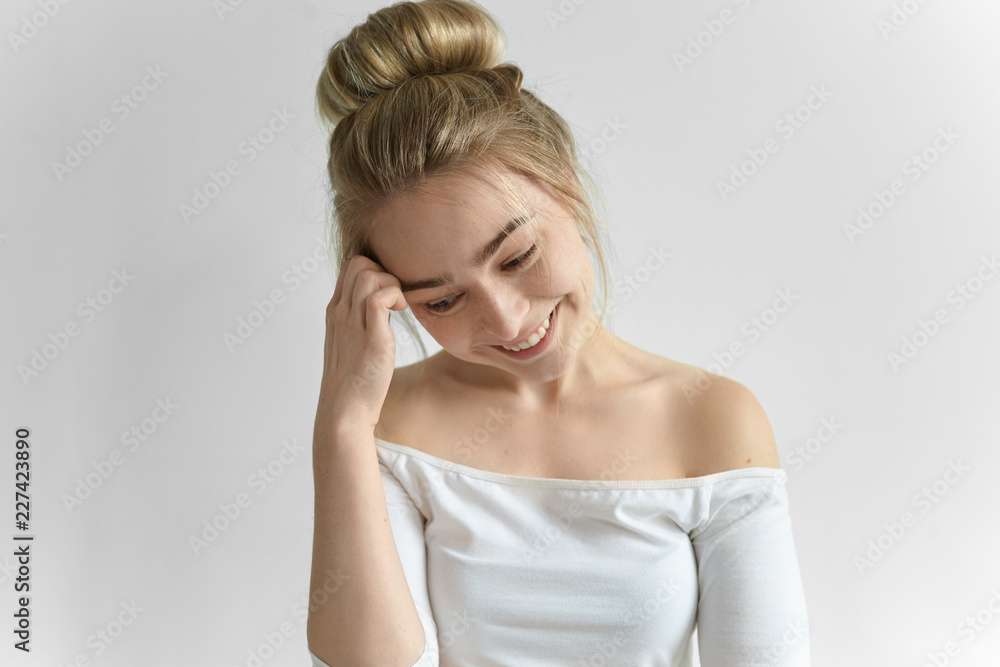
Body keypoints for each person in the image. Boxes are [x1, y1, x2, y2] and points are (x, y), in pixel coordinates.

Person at [306, 1, 811, 665]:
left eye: (517, 257)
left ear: (566, 185)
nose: (507, 320)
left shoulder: (710, 418)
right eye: (445, 299)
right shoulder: (388, 422)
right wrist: (342, 426)